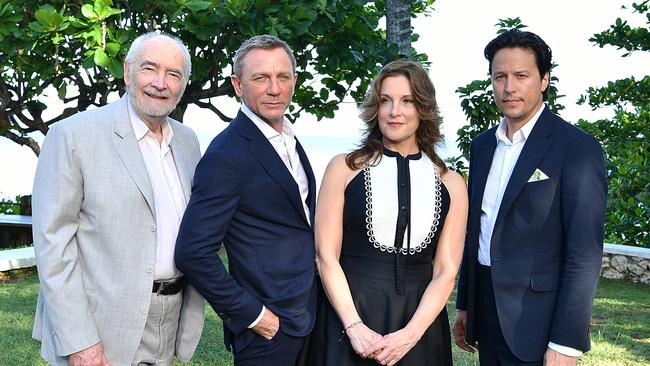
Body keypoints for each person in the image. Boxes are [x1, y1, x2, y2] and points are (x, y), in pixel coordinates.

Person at [31, 32, 205, 366]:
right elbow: (54, 246)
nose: (160, 83)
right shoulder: (73, 135)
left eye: (174, 74)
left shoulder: (187, 142)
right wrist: (80, 341)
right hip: (101, 324)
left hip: (169, 318)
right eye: (149, 68)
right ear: (127, 72)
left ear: (184, 84)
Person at [453, 29, 607, 365]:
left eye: (521, 76)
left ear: (544, 80)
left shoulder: (577, 149)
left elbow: (584, 253)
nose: (509, 88)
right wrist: (466, 304)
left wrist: (566, 342)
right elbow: (476, 231)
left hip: (538, 321)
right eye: (500, 77)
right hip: (486, 313)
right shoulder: (481, 147)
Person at [302, 60, 468, 366]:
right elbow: (325, 255)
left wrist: (410, 335)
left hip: (420, 328)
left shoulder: (452, 183)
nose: (395, 112)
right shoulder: (343, 168)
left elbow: (446, 271)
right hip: (347, 320)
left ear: (423, 108)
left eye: (407, 101)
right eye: (385, 101)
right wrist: (354, 328)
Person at [174, 34, 317, 366]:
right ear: (238, 84)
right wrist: (254, 316)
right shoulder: (227, 154)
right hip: (268, 332)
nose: (274, 88)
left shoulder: (289, 139)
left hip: (308, 316)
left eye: (283, 77)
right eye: (260, 78)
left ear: (295, 80)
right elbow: (192, 252)